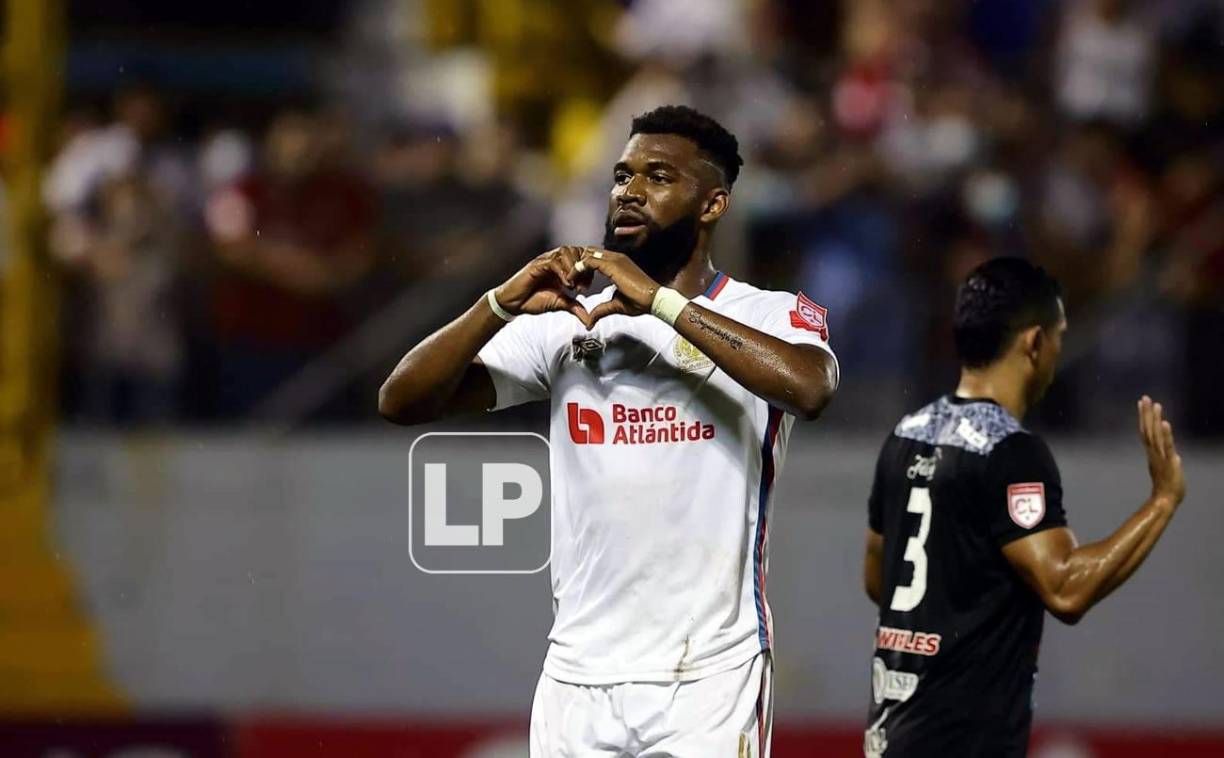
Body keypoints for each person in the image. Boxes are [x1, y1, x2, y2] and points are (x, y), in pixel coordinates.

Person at [380, 105, 839, 757]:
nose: (629, 190)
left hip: (709, 677)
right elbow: (402, 400)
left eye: (658, 176)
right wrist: (498, 304)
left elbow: (808, 386)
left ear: (711, 205)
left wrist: (658, 302)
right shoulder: (571, 323)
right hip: (577, 680)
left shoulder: (768, 312)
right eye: (622, 175)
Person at [860, 257, 1186, 757]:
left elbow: (878, 579)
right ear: (1034, 342)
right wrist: (1161, 502)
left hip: (891, 735)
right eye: (1059, 335)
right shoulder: (1010, 451)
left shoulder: (906, 435)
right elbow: (1066, 589)